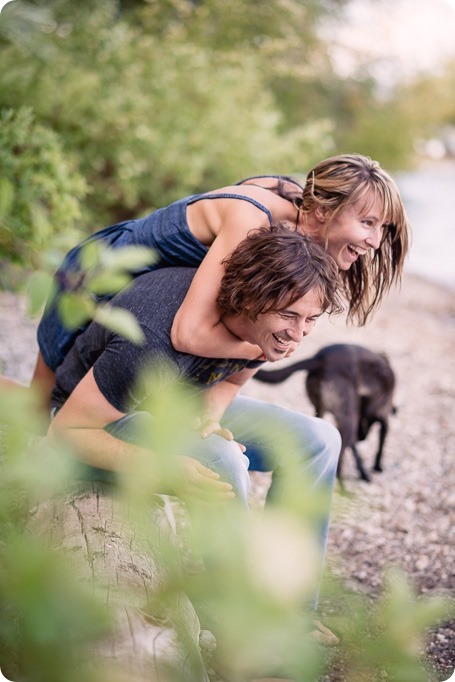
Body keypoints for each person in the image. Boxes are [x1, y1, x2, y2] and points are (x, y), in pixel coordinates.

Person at [47, 226, 343, 644]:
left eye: (311, 319)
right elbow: (66, 430)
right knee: (219, 460)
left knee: (318, 440)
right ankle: (239, 623)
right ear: (251, 299)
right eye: (290, 316)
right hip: (93, 421)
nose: (298, 335)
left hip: (171, 404)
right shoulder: (150, 338)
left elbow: (232, 380)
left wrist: (209, 416)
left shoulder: (267, 333)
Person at [31, 153, 410, 407]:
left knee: (70, 405)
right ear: (325, 209)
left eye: (383, 227)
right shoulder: (253, 222)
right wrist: (260, 350)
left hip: (135, 289)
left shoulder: (298, 221)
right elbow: (189, 334)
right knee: (42, 406)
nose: (375, 241)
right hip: (97, 273)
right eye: (367, 223)